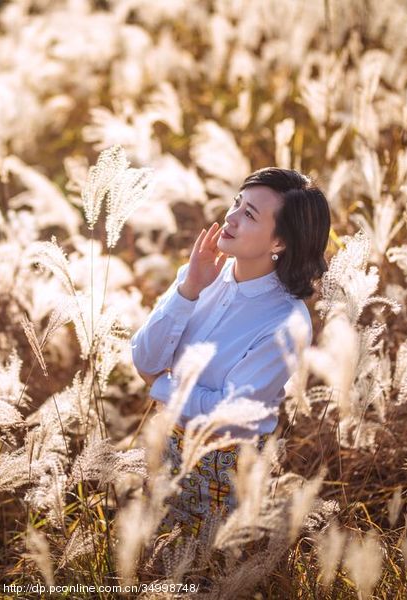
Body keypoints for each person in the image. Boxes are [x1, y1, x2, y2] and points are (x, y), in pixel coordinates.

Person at [130, 167, 331, 541]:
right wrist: (189, 286)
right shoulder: (202, 276)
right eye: (237, 203)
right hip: (163, 449)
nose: (231, 217)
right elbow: (144, 358)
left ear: (280, 243)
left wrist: (161, 388)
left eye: (250, 214)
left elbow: (230, 414)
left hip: (221, 474)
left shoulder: (285, 322)